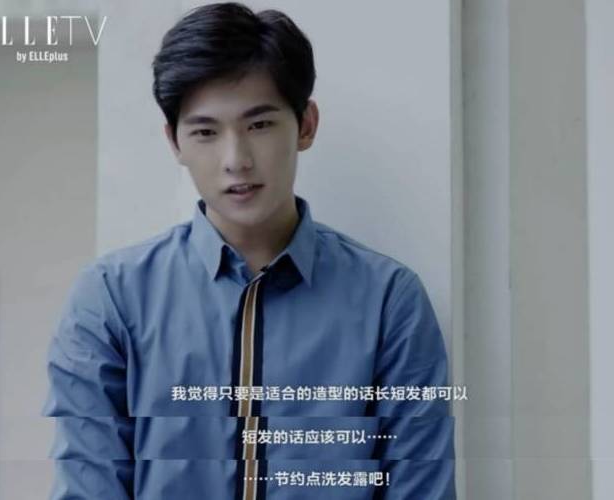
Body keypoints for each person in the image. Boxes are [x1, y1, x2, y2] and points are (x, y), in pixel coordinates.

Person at [42, 2, 455, 499]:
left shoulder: (388, 301)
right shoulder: (111, 299)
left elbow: (420, 486)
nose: (235, 160)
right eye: (205, 132)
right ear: (174, 142)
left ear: (306, 125)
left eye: (259, 125)